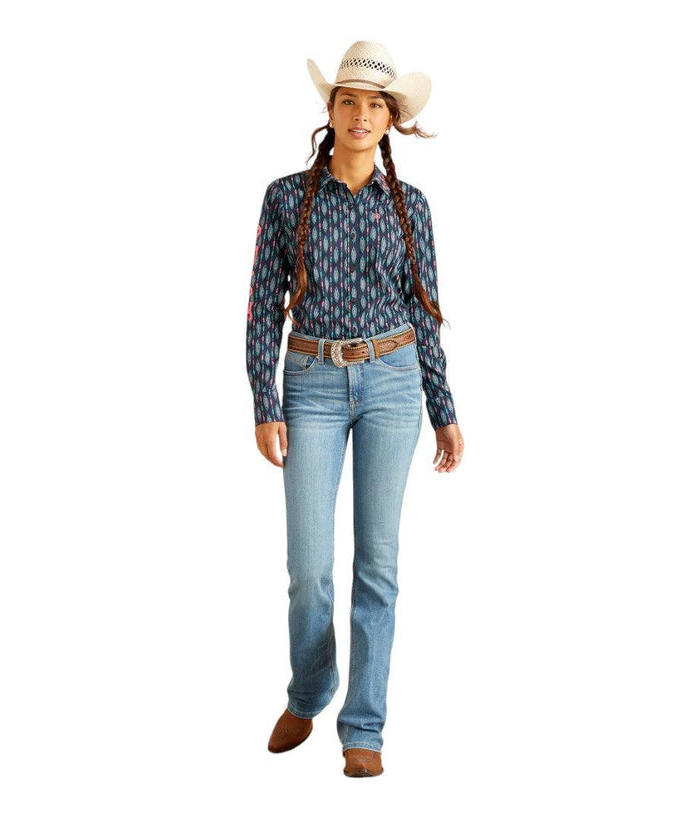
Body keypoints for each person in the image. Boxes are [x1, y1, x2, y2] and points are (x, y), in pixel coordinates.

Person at [245, 41, 465, 778]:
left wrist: (443, 406)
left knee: (379, 563)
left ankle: (363, 726)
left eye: (376, 105)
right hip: (310, 381)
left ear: (391, 119)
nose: (361, 114)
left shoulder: (411, 206)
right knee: (308, 567)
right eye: (349, 101)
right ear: (331, 110)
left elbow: (425, 309)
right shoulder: (286, 198)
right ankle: (309, 690)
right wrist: (264, 401)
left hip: (395, 384)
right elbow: (262, 308)